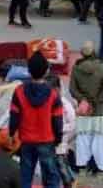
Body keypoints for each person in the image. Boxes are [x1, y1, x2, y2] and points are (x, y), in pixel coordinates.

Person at [9, 51, 63, 188]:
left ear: (29, 71)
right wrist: (58, 138)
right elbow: (57, 120)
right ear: (46, 71)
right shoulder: (53, 94)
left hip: (26, 140)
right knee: (51, 177)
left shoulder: (19, 91)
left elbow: (14, 116)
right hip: (46, 140)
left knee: (25, 177)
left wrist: (11, 134)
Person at [69, 42, 103, 174]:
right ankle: (102, 167)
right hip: (100, 111)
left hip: (84, 111)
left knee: (83, 139)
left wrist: (83, 101)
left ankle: (82, 165)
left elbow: (72, 89)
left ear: (82, 53)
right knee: (101, 141)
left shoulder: (76, 69)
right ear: (94, 52)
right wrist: (95, 103)